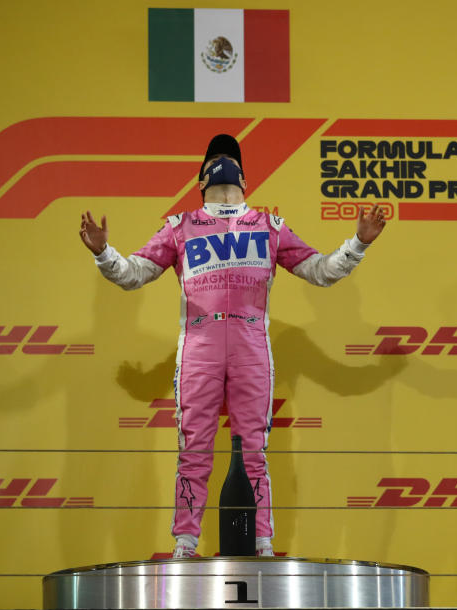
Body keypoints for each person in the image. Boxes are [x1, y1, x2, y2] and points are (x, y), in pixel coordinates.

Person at [79, 134, 387, 558]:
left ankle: (262, 544)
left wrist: (359, 243)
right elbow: (134, 274)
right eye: (216, 159)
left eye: (230, 159)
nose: (223, 164)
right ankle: (185, 544)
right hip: (200, 349)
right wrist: (104, 254)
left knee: (254, 451)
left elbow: (321, 271)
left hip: (250, 347)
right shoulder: (180, 227)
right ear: (204, 178)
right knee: (194, 449)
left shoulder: (268, 225)